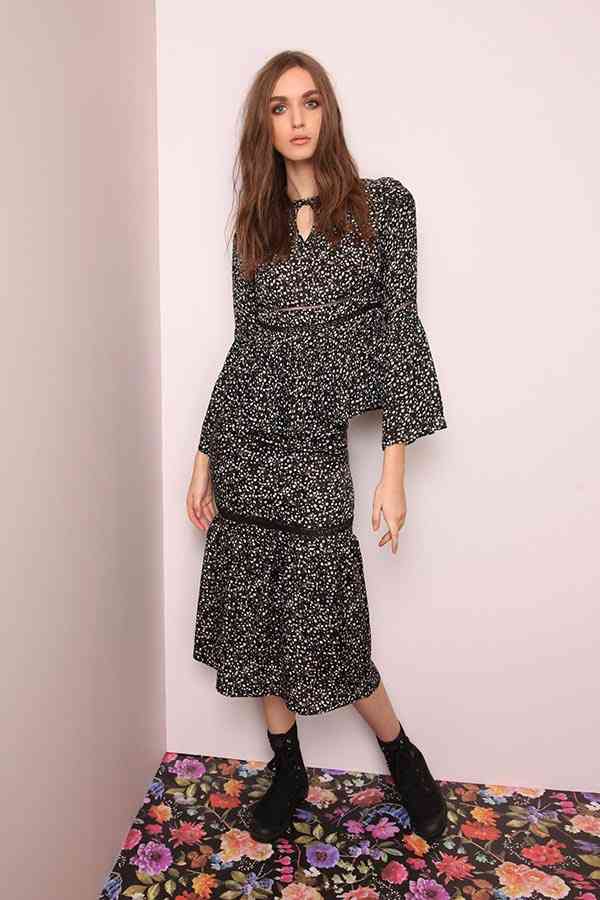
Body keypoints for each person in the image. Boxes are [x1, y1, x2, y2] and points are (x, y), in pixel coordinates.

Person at [186, 50, 448, 846]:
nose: (296, 119)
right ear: (263, 126)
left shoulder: (381, 207)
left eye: (309, 102)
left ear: (327, 112)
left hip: (317, 454)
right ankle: (289, 767)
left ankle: (403, 756)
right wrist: (203, 458)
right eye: (279, 107)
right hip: (249, 452)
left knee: (331, 626)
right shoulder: (253, 228)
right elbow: (245, 350)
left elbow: (399, 333)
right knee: (258, 620)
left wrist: (394, 472)